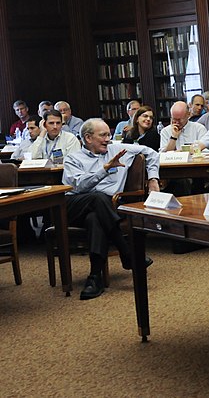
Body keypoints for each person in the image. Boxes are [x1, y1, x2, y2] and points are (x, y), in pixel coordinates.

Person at [63, 118, 160, 300]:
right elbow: (78, 187)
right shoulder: (73, 158)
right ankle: (126, 251)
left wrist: (153, 178)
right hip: (76, 205)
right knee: (97, 197)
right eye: (103, 135)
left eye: (109, 134)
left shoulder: (119, 150)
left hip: (106, 208)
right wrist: (105, 169)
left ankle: (94, 277)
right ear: (88, 138)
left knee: (95, 219)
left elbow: (152, 153)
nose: (108, 139)